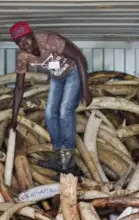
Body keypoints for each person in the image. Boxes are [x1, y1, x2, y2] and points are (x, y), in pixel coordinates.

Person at [9, 21, 93, 175]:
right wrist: (14, 117)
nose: (25, 44)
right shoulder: (22, 56)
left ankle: (68, 159)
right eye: (19, 43)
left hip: (73, 71)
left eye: (26, 39)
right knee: (49, 112)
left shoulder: (49, 40)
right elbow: (19, 87)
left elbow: (79, 58)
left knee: (65, 109)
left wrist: (85, 89)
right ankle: (58, 155)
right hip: (57, 76)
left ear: (32, 34)